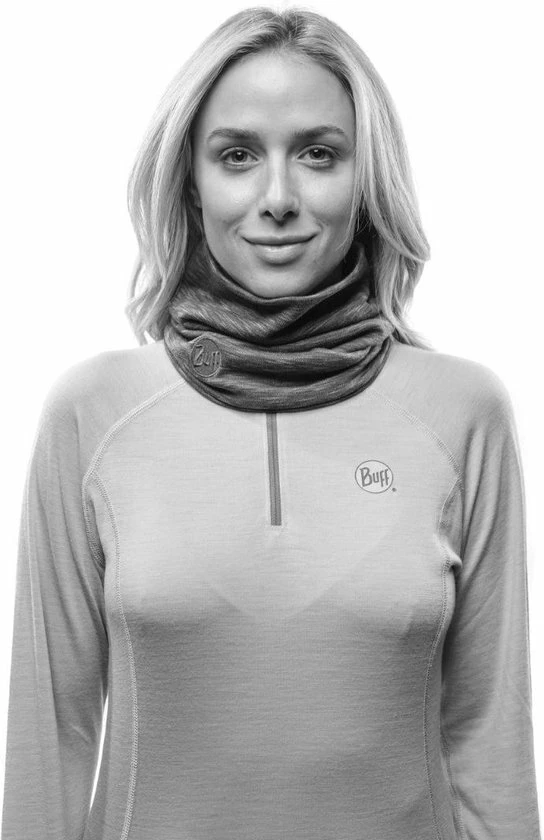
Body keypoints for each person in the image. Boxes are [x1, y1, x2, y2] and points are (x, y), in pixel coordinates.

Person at [1, 6, 541, 840]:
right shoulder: (92, 412)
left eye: (319, 154)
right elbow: (51, 741)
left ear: (367, 178)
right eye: (238, 156)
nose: (278, 198)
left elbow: (489, 747)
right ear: (190, 180)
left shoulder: (464, 412)